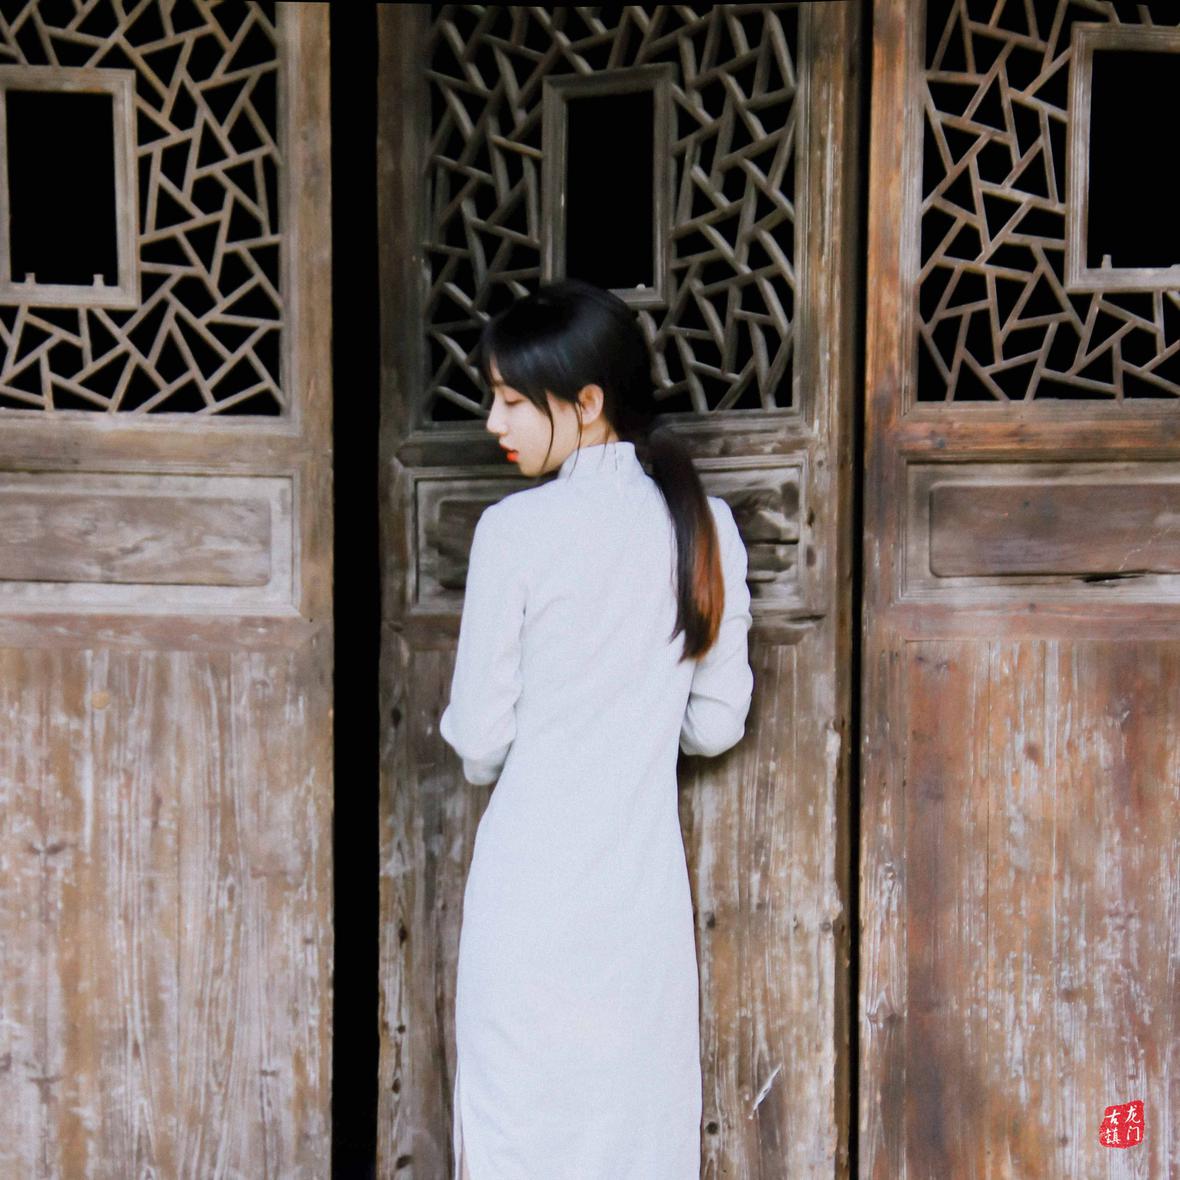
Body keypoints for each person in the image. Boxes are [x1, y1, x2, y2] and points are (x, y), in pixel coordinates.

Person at [439, 278, 754, 1179]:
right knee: (635, 1137)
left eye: (511, 401)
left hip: (527, 898)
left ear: (586, 402)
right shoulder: (705, 526)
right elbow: (715, 724)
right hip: (635, 909)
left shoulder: (514, 531)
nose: (493, 422)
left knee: (516, 1136)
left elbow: (478, 741)